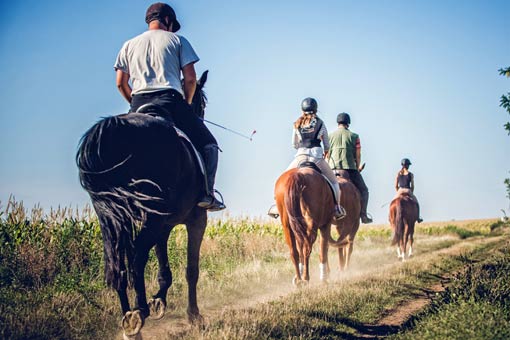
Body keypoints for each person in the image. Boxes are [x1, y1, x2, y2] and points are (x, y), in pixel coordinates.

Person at [113, 2, 225, 211]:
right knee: (210, 144)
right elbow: (190, 79)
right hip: (170, 101)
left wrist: (134, 104)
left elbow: (121, 83)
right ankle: (207, 194)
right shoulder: (178, 40)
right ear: (167, 21)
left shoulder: (128, 44)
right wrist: (187, 104)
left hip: (138, 102)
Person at [269, 98, 346, 220]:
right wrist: (325, 151)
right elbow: (326, 144)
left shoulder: (297, 124)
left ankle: (276, 206)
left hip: (300, 156)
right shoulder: (320, 123)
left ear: (302, 110)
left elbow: (294, 144)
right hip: (316, 158)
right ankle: (337, 208)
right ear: (316, 110)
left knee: (281, 179)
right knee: (334, 182)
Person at [327, 112, 372, 224]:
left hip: (333, 169)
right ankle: (363, 215)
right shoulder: (354, 136)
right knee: (364, 190)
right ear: (348, 123)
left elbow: (327, 154)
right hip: (350, 169)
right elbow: (358, 154)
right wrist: (357, 167)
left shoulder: (330, 136)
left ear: (338, 123)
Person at [395, 158, 423, 223]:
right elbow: (412, 186)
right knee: (416, 203)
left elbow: (395, 186)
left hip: (400, 190)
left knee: (393, 202)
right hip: (408, 190)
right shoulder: (411, 174)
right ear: (407, 165)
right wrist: (411, 194)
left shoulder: (398, 174)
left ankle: (390, 216)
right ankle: (418, 218)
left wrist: (398, 192)